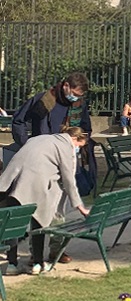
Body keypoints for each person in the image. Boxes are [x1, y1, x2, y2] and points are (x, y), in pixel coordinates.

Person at [0, 128, 91, 275]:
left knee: (13, 226)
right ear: (74, 139)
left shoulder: (39, 138)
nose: (77, 150)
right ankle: (37, 263)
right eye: (79, 146)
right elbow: (68, 179)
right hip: (36, 185)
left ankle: (11, 264)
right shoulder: (65, 147)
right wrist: (80, 206)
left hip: (11, 181)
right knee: (39, 222)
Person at [10, 73, 97, 204]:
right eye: (75, 94)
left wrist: (80, 144)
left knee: (71, 194)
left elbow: (86, 129)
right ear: (66, 86)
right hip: (43, 158)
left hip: (68, 156)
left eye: (80, 96)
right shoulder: (43, 100)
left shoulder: (79, 105)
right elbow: (18, 121)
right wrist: (27, 144)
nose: (76, 98)